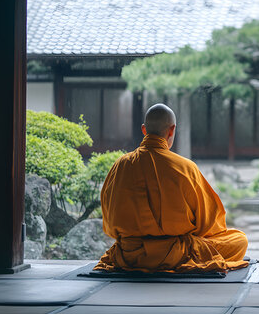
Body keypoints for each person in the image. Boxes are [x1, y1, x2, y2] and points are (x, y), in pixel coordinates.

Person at [94, 103, 248, 273]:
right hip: (177, 253)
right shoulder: (185, 168)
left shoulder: (120, 165)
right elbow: (208, 224)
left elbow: (109, 222)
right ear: (172, 130)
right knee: (239, 240)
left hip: (130, 254)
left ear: (144, 130)